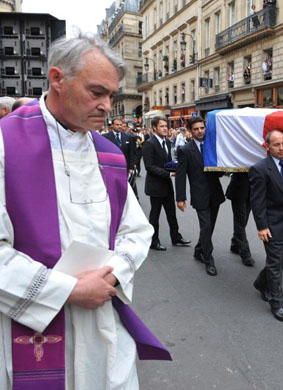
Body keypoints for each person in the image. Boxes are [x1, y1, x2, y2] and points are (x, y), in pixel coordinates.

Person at [0, 34, 170, 390]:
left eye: (112, 95)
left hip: (102, 322)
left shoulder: (108, 153)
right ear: (57, 79)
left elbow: (136, 232)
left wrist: (112, 275)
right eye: (97, 93)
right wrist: (66, 290)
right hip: (30, 321)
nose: (108, 105)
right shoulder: (5, 144)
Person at [250, 130, 283, 322]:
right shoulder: (260, 169)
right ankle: (276, 302)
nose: (281, 148)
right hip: (272, 225)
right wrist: (262, 226)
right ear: (268, 147)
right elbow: (257, 201)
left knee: (282, 261)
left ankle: (260, 282)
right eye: (277, 145)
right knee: (275, 264)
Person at [175, 117, 225, 276]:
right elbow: (181, 176)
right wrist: (180, 198)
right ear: (190, 131)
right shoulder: (185, 150)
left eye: (202, 128)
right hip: (199, 195)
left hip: (215, 193)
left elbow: (221, 171)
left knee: (209, 228)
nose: (200, 131)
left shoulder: (212, 146)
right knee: (206, 227)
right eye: (196, 129)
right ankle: (208, 259)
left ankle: (198, 250)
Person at [142, 116, 191, 251]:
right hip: (155, 187)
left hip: (167, 185)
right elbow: (149, 166)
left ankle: (176, 237)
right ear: (154, 128)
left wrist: (176, 167)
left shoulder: (168, 143)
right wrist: (168, 174)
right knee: (155, 216)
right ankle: (154, 241)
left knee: (171, 214)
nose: (165, 128)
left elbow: (167, 163)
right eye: (162, 126)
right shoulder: (149, 144)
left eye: (166, 126)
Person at [226, 173, 255, 266]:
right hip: (238, 190)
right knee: (240, 222)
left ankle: (235, 244)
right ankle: (245, 253)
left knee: (244, 220)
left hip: (252, 190)